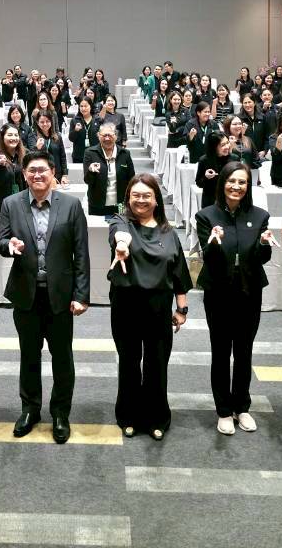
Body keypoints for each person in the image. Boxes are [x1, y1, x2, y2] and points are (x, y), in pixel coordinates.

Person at [0, 151, 91, 444]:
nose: (37, 175)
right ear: (24, 175)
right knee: (29, 355)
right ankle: (30, 409)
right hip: (26, 294)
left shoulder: (71, 205)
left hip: (60, 296)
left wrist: (81, 295)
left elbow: (81, 253)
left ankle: (61, 413)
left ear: (53, 173)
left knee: (62, 357)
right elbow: (1, 240)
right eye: (32, 170)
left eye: (43, 170)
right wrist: (8, 245)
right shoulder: (11, 204)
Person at [107, 173, 193, 439]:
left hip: (159, 307)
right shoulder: (121, 221)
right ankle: (129, 415)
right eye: (136, 195)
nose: (141, 200)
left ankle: (156, 417)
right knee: (129, 362)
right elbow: (119, 235)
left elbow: (178, 272)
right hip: (126, 305)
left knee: (157, 364)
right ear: (128, 199)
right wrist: (122, 245)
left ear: (156, 200)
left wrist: (181, 309)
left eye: (147, 195)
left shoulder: (169, 233)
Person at [194, 161, 273, 435]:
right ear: (222, 183)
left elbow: (263, 257)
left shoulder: (260, 216)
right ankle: (224, 410)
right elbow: (209, 258)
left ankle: (242, 406)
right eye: (231, 181)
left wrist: (263, 243)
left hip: (249, 290)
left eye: (242, 182)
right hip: (218, 290)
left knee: (244, 350)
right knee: (220, 351)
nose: (236, 186)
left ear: (248, 186)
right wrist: (214, 243)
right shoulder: (206, 216)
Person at [84, 124, 135, 218]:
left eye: (110, 135)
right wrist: (90, 171)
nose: (107, 138)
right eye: (104, 135)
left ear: (115, 136)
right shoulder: (90, 153)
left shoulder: (125, 154)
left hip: (120, 204)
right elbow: (87, 181)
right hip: (97, 204)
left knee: (120, 226)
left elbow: (132, 179)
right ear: (99, 136)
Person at [0, 124, 26, 215]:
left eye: (16, 135)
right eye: (9, 135)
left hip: (22, 200)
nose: (13, 138)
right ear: (2, 137)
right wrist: (1, 166)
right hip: (2, 201)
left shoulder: (25, 153)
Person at [195, 132, 234, 210]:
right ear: (214, 147)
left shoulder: (234, 159)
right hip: (210, 202)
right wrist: (206, 177)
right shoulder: (204, 160)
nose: (227, 147)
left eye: (227, 143)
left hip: (230, 200)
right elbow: (199, 183)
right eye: (223, 145)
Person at [27, 110, 69, 184]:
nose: (45, 124)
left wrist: (64, 175)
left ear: (51, 122)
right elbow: (30, 157)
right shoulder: (33, 136)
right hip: (40, 174)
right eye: (42, 122)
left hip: (57, 174)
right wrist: (37, 147)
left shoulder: (57, 136)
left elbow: (62, 156)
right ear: (37, 123)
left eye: (47, 121)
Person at [184, 101, 217, 165]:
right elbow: (185, 140)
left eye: (208, 112)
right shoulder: (190, 124)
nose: (207, 114)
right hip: (194, 157)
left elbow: (218, 139)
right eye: (205, 112)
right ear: (198, 113)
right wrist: (190, 136)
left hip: (209, 156)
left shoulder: (213, 124)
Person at [69, 98, 96, 164]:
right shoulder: (75, 120)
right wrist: (75, 131)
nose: (83, 108)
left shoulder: (97, 119)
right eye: (81, 106)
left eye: (86, 106)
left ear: (90, 106)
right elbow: (71, 138)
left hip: (94, 155)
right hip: (79, 156)